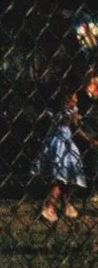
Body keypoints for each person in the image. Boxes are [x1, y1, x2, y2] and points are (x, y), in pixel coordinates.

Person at [37, 92, 92, 223]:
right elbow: (75, 128)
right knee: (62, 178)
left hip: (65, 143)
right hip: (61, 145)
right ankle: (50, 206)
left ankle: (67, 205)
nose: (76, 100)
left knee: (66, 176)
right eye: (74, 99)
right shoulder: (64, 113)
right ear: (67, 100)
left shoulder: (68, 111)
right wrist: (90, 139)